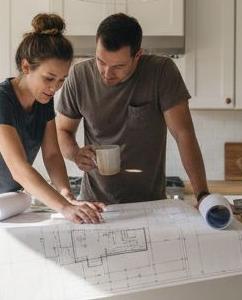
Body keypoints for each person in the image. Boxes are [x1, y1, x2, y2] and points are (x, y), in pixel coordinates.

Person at [0, 13, 106, 224]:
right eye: (49, 78)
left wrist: (68, 196)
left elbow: (53, 155)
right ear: (26, 67)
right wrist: (64, 208)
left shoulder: (43, 101)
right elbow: (19, 169)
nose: (55, 87)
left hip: (1, 207)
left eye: (62, 80)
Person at [54, 13, 212, 205]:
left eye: (118, 66)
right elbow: (62, 131)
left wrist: (202, 195)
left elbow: (183, 134)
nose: (107, 73)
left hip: (150, 204)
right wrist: (75, 153)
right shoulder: (80, 76)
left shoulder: (161, 72)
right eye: (101, 61)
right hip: (95, 204)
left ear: (138, 55)